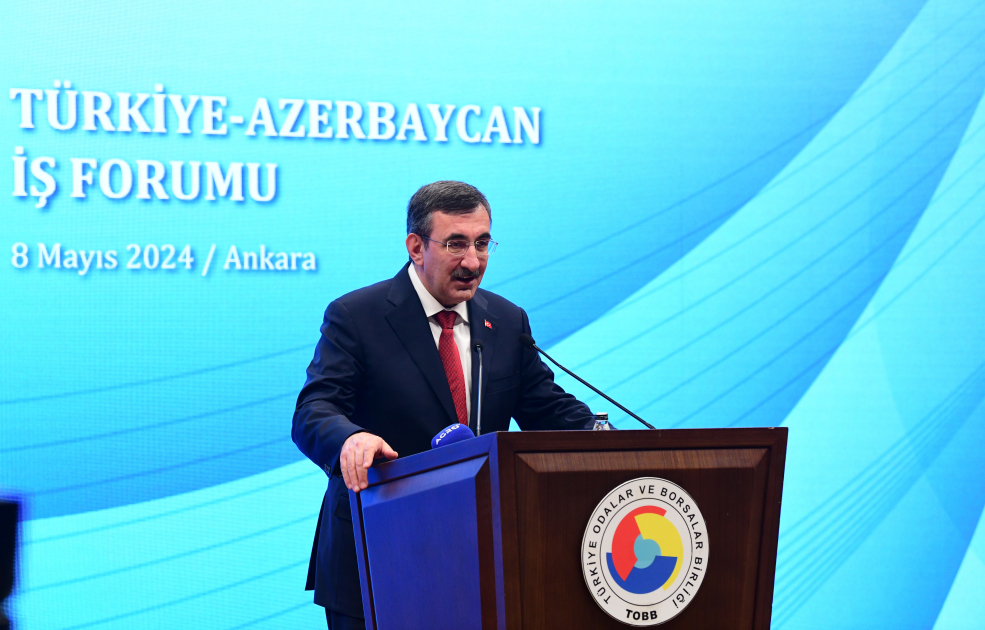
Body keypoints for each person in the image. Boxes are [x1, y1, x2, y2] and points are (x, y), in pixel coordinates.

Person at [292, 181, 594, 629]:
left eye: (482, 244)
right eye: (456, 244)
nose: (473, 262)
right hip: (378, 552)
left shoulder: (506, 320)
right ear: (416, 247)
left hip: (480, 554)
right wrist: (350, 438)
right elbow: (314, 408)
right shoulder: (358, 315)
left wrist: (605, 440)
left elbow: (547, 408)